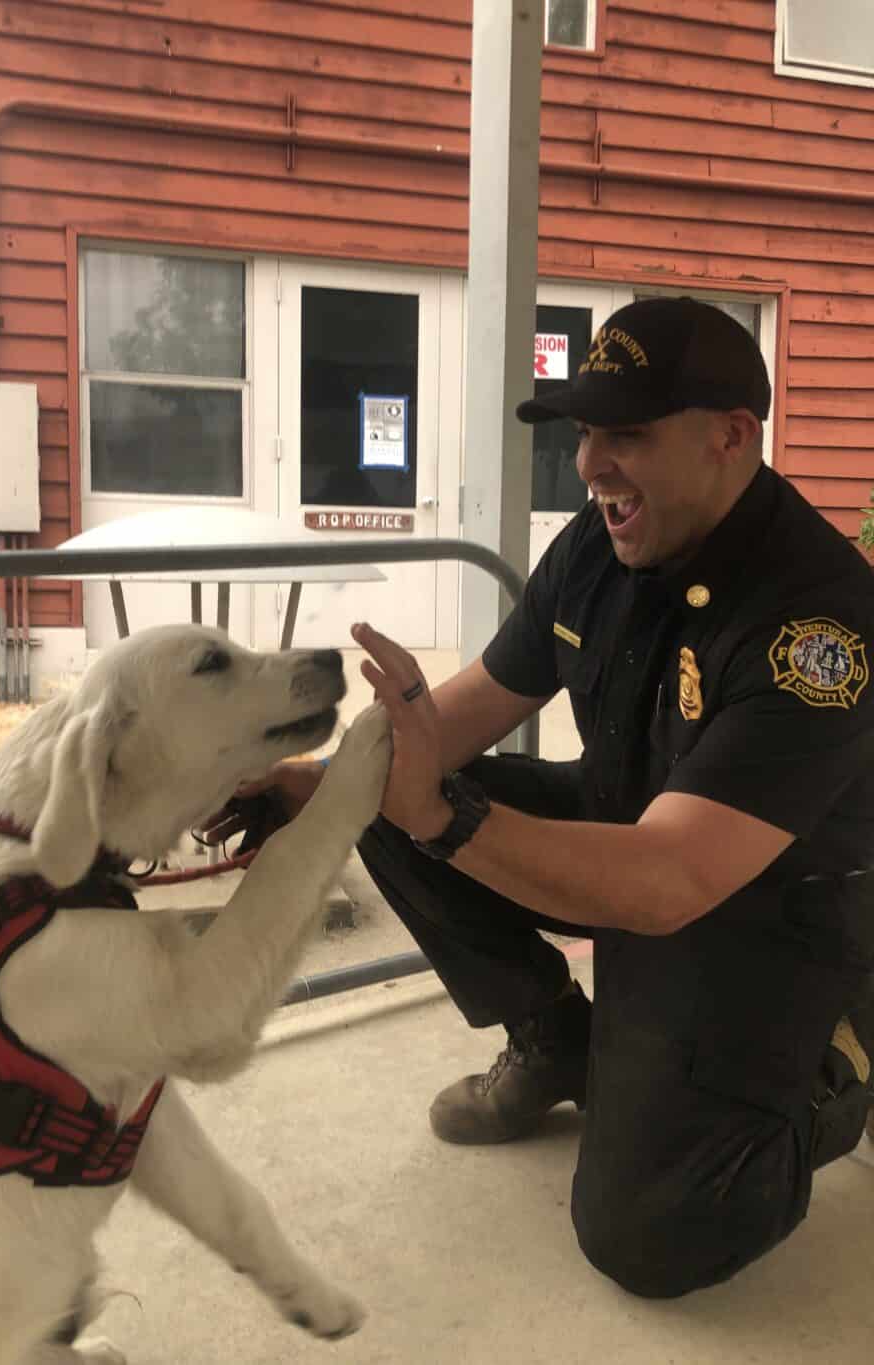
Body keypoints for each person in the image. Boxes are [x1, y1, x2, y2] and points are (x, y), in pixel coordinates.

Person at [205, 297, 874, 1298]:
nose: (591, 464)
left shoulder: (815, 623)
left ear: (733, 436)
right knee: (380, 789)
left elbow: (672, 882)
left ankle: (829, 1076)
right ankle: (559, 1041)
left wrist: (444, 815)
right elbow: (463, 712)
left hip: (760, 911)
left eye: (628, 435)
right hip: (636, 843)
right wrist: (320, 785)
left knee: (648, 1238)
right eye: (586, 432)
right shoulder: (595, 549)